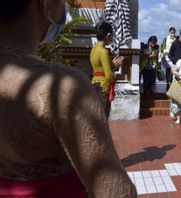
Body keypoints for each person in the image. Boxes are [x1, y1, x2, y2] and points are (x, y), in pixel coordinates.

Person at [0, 1, 137, 197]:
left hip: (93, 79)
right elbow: (116, 192)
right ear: (45, 4)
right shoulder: (62, 88)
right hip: (102, 85)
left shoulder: (93, 51)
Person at [90, 21, 124, 117]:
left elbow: (99, 68)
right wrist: (114, 74)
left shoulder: (94, 49)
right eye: (112, 35)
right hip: (104, 87)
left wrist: (113, 64)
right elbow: (108, 75)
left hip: (94, 83)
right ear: (108, 35)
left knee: (96, 116)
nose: (112, 37)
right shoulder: (104, 51)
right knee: (103, 117)